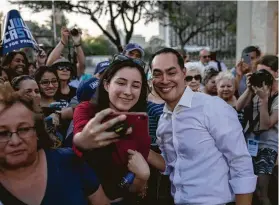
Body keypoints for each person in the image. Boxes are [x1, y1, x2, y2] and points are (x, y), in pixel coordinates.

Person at [147, 47, 257, 205]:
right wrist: (138, 146)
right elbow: (172, 164)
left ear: (183, 73)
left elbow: (240, 163)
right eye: (157, 74)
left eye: (171, 72)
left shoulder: (212, 107)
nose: (164, 80)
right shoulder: (164, 119)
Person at [0, 83, 110, 205]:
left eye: (24, 129)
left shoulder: (70, 161)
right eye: (3, 133)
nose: (15, 141)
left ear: (37, 131)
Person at [73, 55, 150, 204]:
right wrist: (83, 141)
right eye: (121, 83)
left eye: (135, 85)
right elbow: (80, 138)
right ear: (107, 85)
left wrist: (142, 176)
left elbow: (131, 187)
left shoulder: (140, 123)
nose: (128, 91)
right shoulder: (86, 110)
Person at [236, 55, 278, 205]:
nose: (262, 76)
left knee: (261, 190)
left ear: (277, 73)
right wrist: (249, 89)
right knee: (248, 189)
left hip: (268, 146)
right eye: (259, 72)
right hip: (249, 143)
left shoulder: (277, 96)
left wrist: (264, 99)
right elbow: (238, 108)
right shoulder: (256, 88)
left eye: (265, 72)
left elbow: (266, 124)